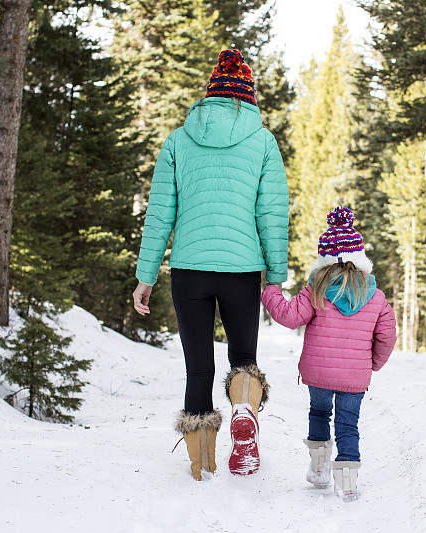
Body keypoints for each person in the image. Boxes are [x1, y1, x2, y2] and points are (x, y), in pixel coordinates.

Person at [131, 49, 288, 480]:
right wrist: (275, 275)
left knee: (198, 365)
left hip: (189, 271)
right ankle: (244, 420)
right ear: (248, 94)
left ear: (210, 93)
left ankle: (202, 466)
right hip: (241, 271)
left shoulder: (179, 140)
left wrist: (146, 275)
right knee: (243, 358)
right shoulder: (263, 142)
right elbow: (271, 213)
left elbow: (160, 213)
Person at [261, 206, 397, 501]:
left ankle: (319, 470)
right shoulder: (375, 296)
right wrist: (372, 363)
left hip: (319, 373)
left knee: (320, 413)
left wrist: (270, 289)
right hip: (354, 375)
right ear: (359, 259)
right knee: (348, 423)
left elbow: (288, 315)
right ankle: (347, 483)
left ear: (324, 259)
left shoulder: (317, 290)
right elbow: (386, 335)